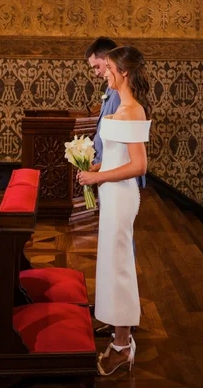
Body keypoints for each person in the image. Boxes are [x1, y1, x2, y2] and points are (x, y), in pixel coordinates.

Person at [79, 45, 151, 376]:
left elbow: (138, 165)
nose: (104, 73)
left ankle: (122, 346)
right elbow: (118, 155)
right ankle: (117, 333)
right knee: (110, 264)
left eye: (107, 68)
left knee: (119, 267)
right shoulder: (120, 106)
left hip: (121, 198)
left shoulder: (133, 110)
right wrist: (96, 164)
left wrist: (98, 176)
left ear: (123, 72)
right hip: (110, 193)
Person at [85, 37, 120, 168]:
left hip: (111, 168)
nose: (96, 73)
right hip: (102, 164)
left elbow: (118, 141)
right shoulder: (110, 88)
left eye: (97, 67)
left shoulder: (120, 92)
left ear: (108, 59)